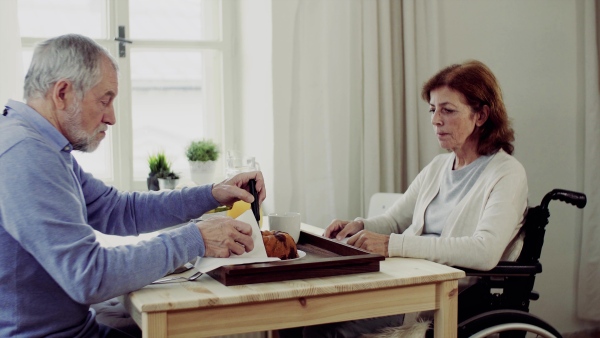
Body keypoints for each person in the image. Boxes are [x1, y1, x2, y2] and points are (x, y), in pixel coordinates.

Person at [0, 34, 265, 338]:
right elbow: (90, 276)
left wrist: (212, 193)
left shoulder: (42, 146)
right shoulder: (26, 155)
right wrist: (196, 239)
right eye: (105, 100)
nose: (111, 117)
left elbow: (120, 210)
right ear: (62, 93)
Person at [283, 60, 528, 337]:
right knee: (301, 315)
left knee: (324, 329)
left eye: (447, 110)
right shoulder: (438, 167)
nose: (436, 120)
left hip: (442, 293)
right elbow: (395, 220)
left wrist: (391, 244)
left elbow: (484, 251)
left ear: (481, 115)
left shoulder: (506, 173)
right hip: (406, 278)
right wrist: (361, 225)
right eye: (433, 109)